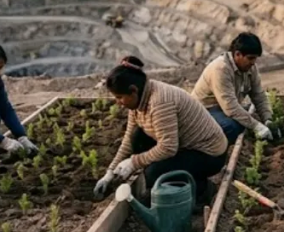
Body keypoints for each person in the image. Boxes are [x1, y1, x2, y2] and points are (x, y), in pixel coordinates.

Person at [95, 56, 228, 203]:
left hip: (210, 154)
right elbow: (128, 139)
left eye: (119, 97)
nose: (118, 103)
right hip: (184, 145)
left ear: (133, 91)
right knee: (137, 137)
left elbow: (169, 147)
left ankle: (201, 189)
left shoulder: (160, 102)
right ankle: (169, 179)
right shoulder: (138, 100)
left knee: (154, 172)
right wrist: (110, 172)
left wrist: (134, 162)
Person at [190, 33, 274, 144]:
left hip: (222, 109)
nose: (253, 62)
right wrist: (257, 126)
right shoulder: (221, 69)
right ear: (238, 54)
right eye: (250, 58)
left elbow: (258, 95)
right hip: (204, 111)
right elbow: (230, 107)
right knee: (232, 126)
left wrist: (267, 119)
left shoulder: (250, 68)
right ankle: (210, 150)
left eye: (255, 58)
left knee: (246, 117)